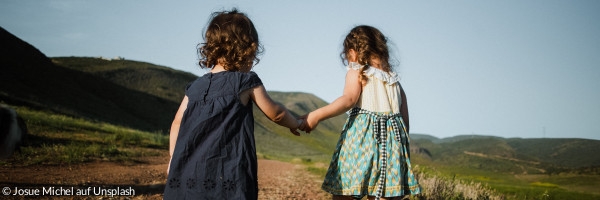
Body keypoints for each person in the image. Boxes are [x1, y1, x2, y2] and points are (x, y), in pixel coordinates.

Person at [164, 9, 301, 200]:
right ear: (248, 49)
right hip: (227, 175)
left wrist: (174, 158)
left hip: (188, 175)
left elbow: (177, 123)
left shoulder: (194, 87)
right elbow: (276, 113)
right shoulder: (245, 82)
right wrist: (296, 123)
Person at [298, 25, 421, 200]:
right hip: (392, 146)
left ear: (353, 52)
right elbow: (405, 122)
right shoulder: (396, 83)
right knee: (385, 194)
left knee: (346, 192)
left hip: (362, 142)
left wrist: (316, 115)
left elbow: (348, 100)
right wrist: (399, 149)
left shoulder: (357, 71)